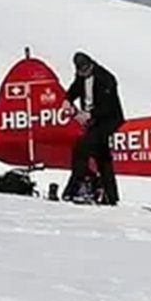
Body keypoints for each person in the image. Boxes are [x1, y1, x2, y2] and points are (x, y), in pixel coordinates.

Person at [61, 52, 125, 205]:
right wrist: (68, 99)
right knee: (102, 158)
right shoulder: (81, 77)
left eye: (85, 70)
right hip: (93, 121)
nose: (83, 74)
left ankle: (77, 187)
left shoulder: (106, 78)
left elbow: (108, 106)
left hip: (108, 120)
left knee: (81, 149)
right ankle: (110, 195)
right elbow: (75, 88)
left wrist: (90, 114)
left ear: (91, 65)